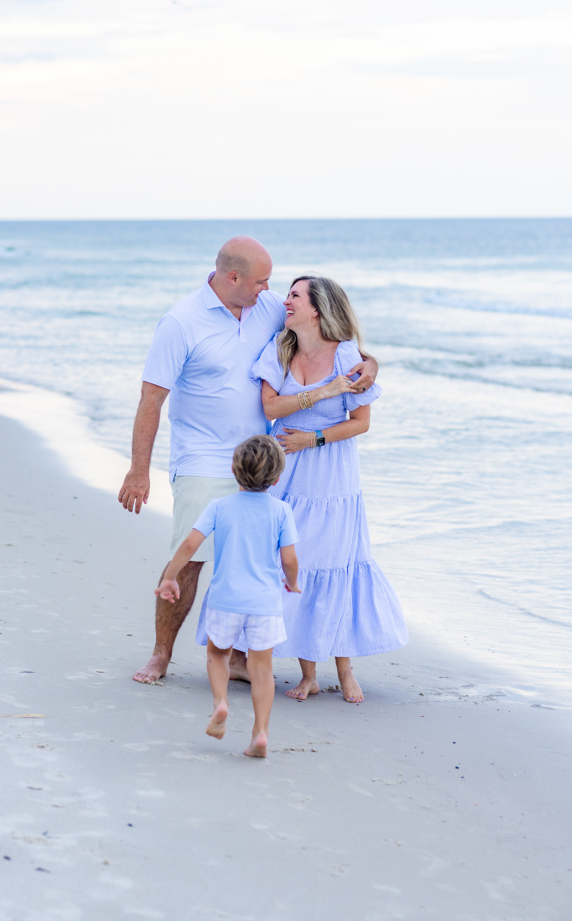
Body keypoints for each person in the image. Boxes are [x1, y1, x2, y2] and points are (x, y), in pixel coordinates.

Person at [118, 237, 379, 685]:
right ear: (233, 277)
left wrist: (370, 364)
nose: (269, 290)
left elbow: (328, 333)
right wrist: (138, 469)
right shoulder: (181, 323)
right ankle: (161, 654)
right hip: (203, 456)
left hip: (262, 456)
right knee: (192, 555)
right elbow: (151, 398)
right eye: (261, 281)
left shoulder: (267, 305)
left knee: (256, 559)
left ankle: (239, 658)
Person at [250, 275, 408, 703]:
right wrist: (320, 394)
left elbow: (361, 422)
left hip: (331, 472)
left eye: (295, 296)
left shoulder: (347, 356)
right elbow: (270, 406)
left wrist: (313, 438)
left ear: (317, 310)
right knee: (294, 563)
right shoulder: (281, 348)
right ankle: (308, 674)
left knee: (335, 562)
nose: (286, 301)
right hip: (285, 469)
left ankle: (344, 669)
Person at [155, 435, 300, 758]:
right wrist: (292, 582)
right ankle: (260, 733)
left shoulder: (219, 506)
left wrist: (170, 577)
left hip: (225, 599)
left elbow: (190, 545)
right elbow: (290, 559)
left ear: (234, 471)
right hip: (264, 603)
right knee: (261, 668)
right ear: (277, 478)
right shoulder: (281, 511)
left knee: (218, 654)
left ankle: (221, 703)